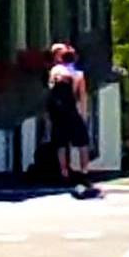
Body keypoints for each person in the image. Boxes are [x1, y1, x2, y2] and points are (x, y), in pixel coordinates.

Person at [42, 38, 96, 197]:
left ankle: (64, 171)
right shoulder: (78, 74)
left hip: (58, 112)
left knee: (60, 142)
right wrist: (83, 114)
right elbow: (82, 96)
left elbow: (50, 89)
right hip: (72, 110)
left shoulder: (55, 71)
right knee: (82, 141)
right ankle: (84, 171)